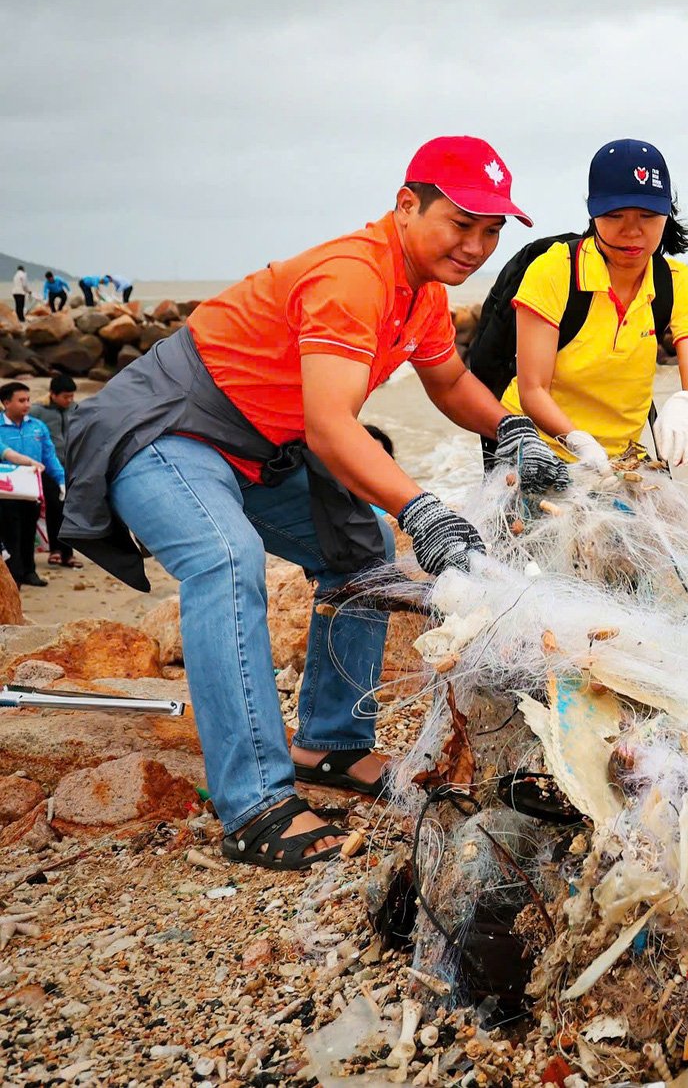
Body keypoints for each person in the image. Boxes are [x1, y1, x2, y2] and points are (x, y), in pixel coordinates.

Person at [62, 136, 569, 872]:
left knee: (356, 549)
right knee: (224, 559)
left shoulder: (420, 291)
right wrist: (421, 509)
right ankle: (255, 805)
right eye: (462, 223)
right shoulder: (353, 277)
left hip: (260, 446)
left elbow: (451, 381)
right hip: (167, 428)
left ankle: (330, 746)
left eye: (491, 231)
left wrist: (512, 425)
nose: (477, 245)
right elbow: (332, 429)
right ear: (406, 204)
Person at [502, 139, 688, 473]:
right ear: (593, 212)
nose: (632, 231)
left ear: (667, 214)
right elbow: (533, 389)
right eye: (615, 215)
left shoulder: (676, 282)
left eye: (648, 215)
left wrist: (685, 404)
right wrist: (577, 440)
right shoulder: (554, 270)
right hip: (538, 447)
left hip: (623, 457)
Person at [0, 381, 63, 588]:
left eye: (28, 400)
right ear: (6, 403)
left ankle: (29, 571)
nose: (26, 404)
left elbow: (49, 456)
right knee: (10, 532)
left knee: (29, 529)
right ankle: (13, 576)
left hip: (32, 487)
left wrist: (60, 479)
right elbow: (6, 452)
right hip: (6, 489)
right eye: (21, 400)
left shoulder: (37, 426)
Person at [29, 374, 79, 568]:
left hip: (71, 466)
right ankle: (56, 550)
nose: (70, 400)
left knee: (69, 509)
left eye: (72, 396)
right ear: (53, 394)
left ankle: (68, 552)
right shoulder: (37, 412)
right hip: (47, 468)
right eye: (65, 396)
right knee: (54, 507)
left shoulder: (75, 409)